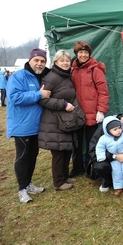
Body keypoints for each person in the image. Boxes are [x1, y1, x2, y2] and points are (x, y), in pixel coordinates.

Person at [6, 48, 51, 203]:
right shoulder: (19, 76)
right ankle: (22, 189)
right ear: (30, 60)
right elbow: (14, 97)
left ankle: (29, 183)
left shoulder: (43, 76)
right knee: (23, 156)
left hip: (36, 125)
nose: (39, 64)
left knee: (33, 155)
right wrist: (39, 94)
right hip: (22, 126)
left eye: (42, 61)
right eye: (36, 60)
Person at [38, 50, 78, 191]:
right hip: (54, 120)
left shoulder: (65, 76)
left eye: (67, 60)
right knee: (59, 152)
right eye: (62, 60)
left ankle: (65, 176)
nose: (65, 63)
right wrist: (63, 104)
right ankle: (58, 182)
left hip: (64, 120)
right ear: (55, 62)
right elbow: (42, 100)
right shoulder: (52, 78)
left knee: (67, 149)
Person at [70, 41, 109, 177]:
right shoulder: (72, 69)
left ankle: (92, 168)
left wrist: (101, 110)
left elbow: (103, 92)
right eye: (80, 52)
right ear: (76, 54)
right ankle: (77, 167)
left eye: (86, 52)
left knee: (92, 142)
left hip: (92, 113)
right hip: (76, 113)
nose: (83, 55)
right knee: (77, 143)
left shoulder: (95, 69)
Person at [96, 116, 123, 195]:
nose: (118, 131)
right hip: (114, 160)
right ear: (108, 130)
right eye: (115, 129)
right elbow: (100, 148)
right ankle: (118, 187)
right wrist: (101, 157)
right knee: (116, 173)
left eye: (119, 128)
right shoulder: (103, 139)